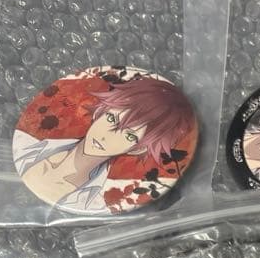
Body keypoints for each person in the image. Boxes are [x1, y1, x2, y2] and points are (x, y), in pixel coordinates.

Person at [14, 75, 196, 213]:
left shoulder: (100, 202)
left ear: (138, 149)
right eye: (111, 118)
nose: (107, 136)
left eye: (129, 136)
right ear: (99, 111)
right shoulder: (25, 144)